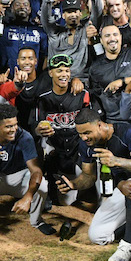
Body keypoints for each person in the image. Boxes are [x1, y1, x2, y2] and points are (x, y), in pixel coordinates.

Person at [56, 108, 131, 261]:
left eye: (87, 132)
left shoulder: (126, 132)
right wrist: (73, 185)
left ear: (99, 125)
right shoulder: (86, 145)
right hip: (121, 189)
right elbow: (88, 176)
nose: (83, 138)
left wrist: (117, 161)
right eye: (80, 134)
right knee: (97, 236)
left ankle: (128, 245)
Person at [0, 104, 54, 234]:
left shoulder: (24, 137)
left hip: (18, 178)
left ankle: (37, 221)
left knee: (42, 184)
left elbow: (36, 171)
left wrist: (28, 197)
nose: (13, 129)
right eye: (8, 126)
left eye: (15, 125)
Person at [33, 54, 95, 205]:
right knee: (40, 146)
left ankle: (91, 193)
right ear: (51, 73)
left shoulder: (82, 94)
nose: (64, 74)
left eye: (67, 71)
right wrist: (39, 130)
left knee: (87, 188)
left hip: (77, 150)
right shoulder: (43, 98)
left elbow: (93, 124)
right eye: (59, 71)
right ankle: (46, 186)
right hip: (55, 152)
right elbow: (34, 128)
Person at [88, 25, 131, 123]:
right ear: (101, 41)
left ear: (120, 37)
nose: (112, 38)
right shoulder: (95, 67)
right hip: (112, 122)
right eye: (107, 36)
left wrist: (122, 81)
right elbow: (95, 96)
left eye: (115, 34)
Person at [0, 0, 48, 77]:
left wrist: (42, 76)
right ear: (12, 9)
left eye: (25, 5)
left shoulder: (40, 32)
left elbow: (45, 56)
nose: (22, 7)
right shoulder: (4, 30)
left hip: (33, 80)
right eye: (17, 4)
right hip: (8, 79)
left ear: (30, 9)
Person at [41, 0, 92, 80]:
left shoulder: (86, 30)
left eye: (75, 11)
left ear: (80, 13)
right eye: (69, 12)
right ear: (63, 15)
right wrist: (47, 0)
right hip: (55, 81)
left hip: (80, 81)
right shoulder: (54, 32)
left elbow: (97, 15)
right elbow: (46, 18)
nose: (73, 15)